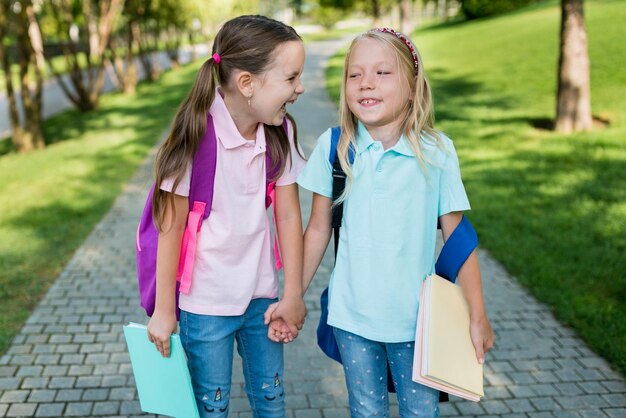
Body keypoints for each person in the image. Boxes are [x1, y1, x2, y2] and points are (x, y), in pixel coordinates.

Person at [295, 28, 495, 417]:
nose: (366, 83)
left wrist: (478, 313)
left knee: (420, 413)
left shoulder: (437, 151)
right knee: (366, 411)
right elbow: (318, 229)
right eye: (355, 74)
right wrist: (292, 296)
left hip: (418, 325)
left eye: (382, 73)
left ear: (412, 86)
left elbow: (458, 238)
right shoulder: (334, 148)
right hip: (351, 318)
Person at [146, 15, 307, 418]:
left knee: (271, 401)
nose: (300, 88)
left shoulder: (278, 131)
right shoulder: (196, 135)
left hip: (262, 300)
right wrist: (165, 311)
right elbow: (170, 228)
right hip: (205, 305)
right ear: (247, 84)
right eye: (290, 78)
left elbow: (288, 217)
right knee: (210, 408)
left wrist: (292, 295)